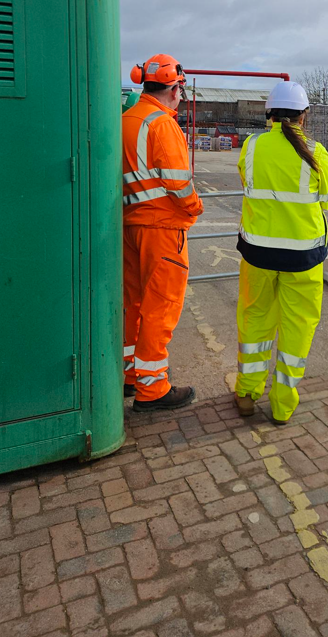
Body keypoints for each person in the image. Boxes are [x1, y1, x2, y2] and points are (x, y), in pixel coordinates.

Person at [235, 81, 328, 424]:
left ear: (269, 114)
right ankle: (282, 406)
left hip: (257, 255)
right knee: (297, 329)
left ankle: (247, 394)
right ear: (303, 115)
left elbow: (248, 185)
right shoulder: (316, 151)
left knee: (254, 321)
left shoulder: (251, 147)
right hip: (303, 259)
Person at [122, 54, 203, 411]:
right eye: (181, 90)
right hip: (162, 228)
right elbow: (178, 182)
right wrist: (194, 207)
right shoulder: (162, 123)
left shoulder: (126, 119)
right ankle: (152, 388)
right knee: (162, 305)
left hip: (129, 225)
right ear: (173, 88)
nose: (182, 96)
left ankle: (129, 375)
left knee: (133, 303)